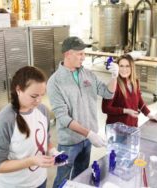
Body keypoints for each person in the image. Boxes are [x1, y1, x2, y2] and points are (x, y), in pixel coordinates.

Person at [47, 36, 119, 188]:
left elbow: (108, 93)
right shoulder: (55, 82)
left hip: (87, 141)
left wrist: (114, 77)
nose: (84, 57)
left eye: (84, 53)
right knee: (63, 179)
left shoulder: (88, 74)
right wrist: (89, 134)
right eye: (80, 54)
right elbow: (63, 118)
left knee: (81, 177)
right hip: (70, 142)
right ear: (67, 54)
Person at [0, 66, 61, 188]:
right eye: (33, 96)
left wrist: (53, 151)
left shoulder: (42, 111)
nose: (38, 100)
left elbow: (45, 139)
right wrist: (32, 161)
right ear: (19, 90)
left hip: (39, 181)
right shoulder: (5, 120)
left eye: (42, 95)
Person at [102, 54, 157, 127]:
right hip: (116, 130)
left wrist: (149, 114)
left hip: (132, 126)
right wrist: (126, 111)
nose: (124, 69)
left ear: (132, 67)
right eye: (121, 66)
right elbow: (105, 108)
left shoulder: (135, 82)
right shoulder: (114, 84)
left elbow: (139, 101)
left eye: (127, 66)